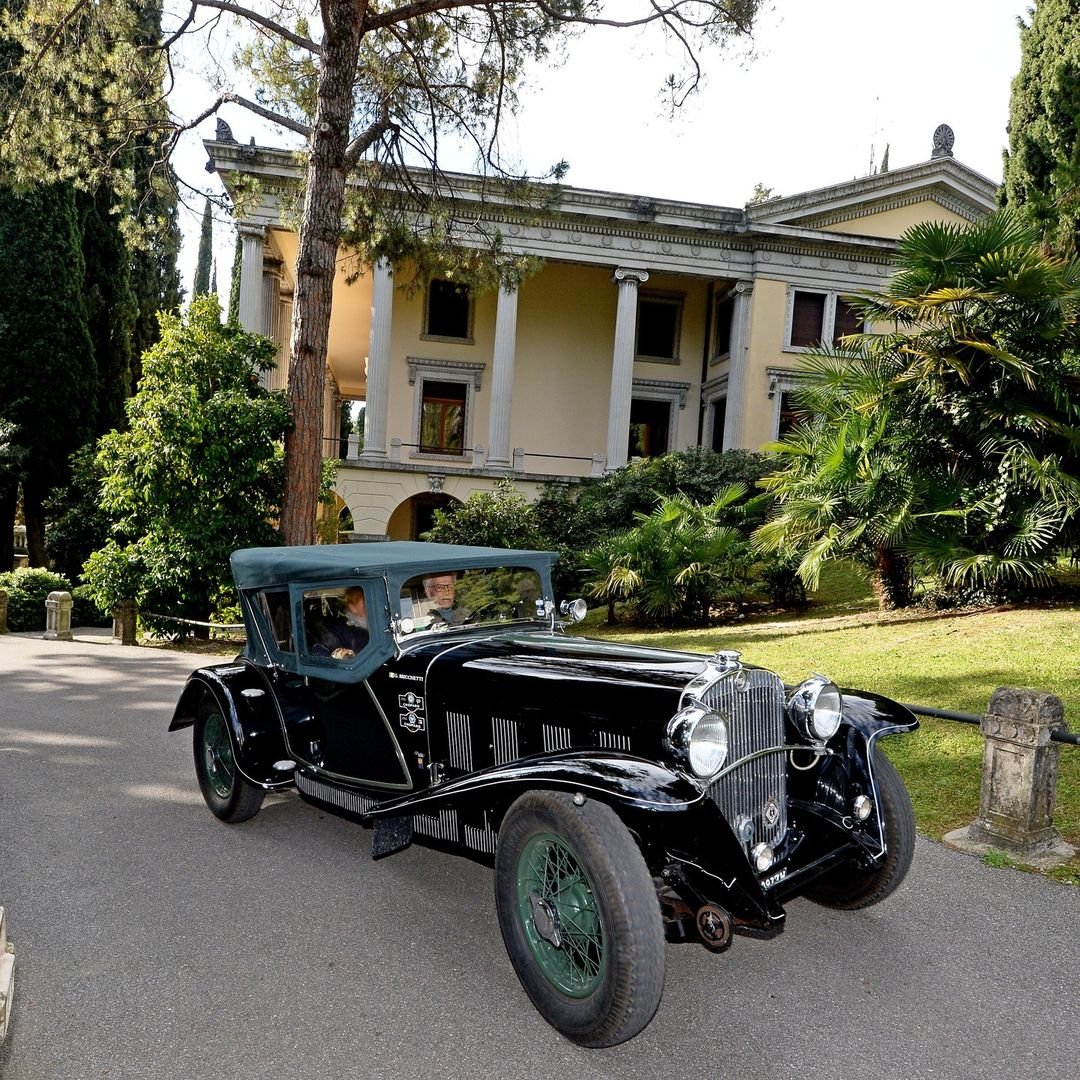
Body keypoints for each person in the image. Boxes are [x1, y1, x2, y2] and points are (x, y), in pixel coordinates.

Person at [316, 586, 369, 659]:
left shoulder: (377, 620)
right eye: (357, 599)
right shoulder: (341, 629)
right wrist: (339, 655)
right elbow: (320, 650)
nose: (367, 603)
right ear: (351, 606)